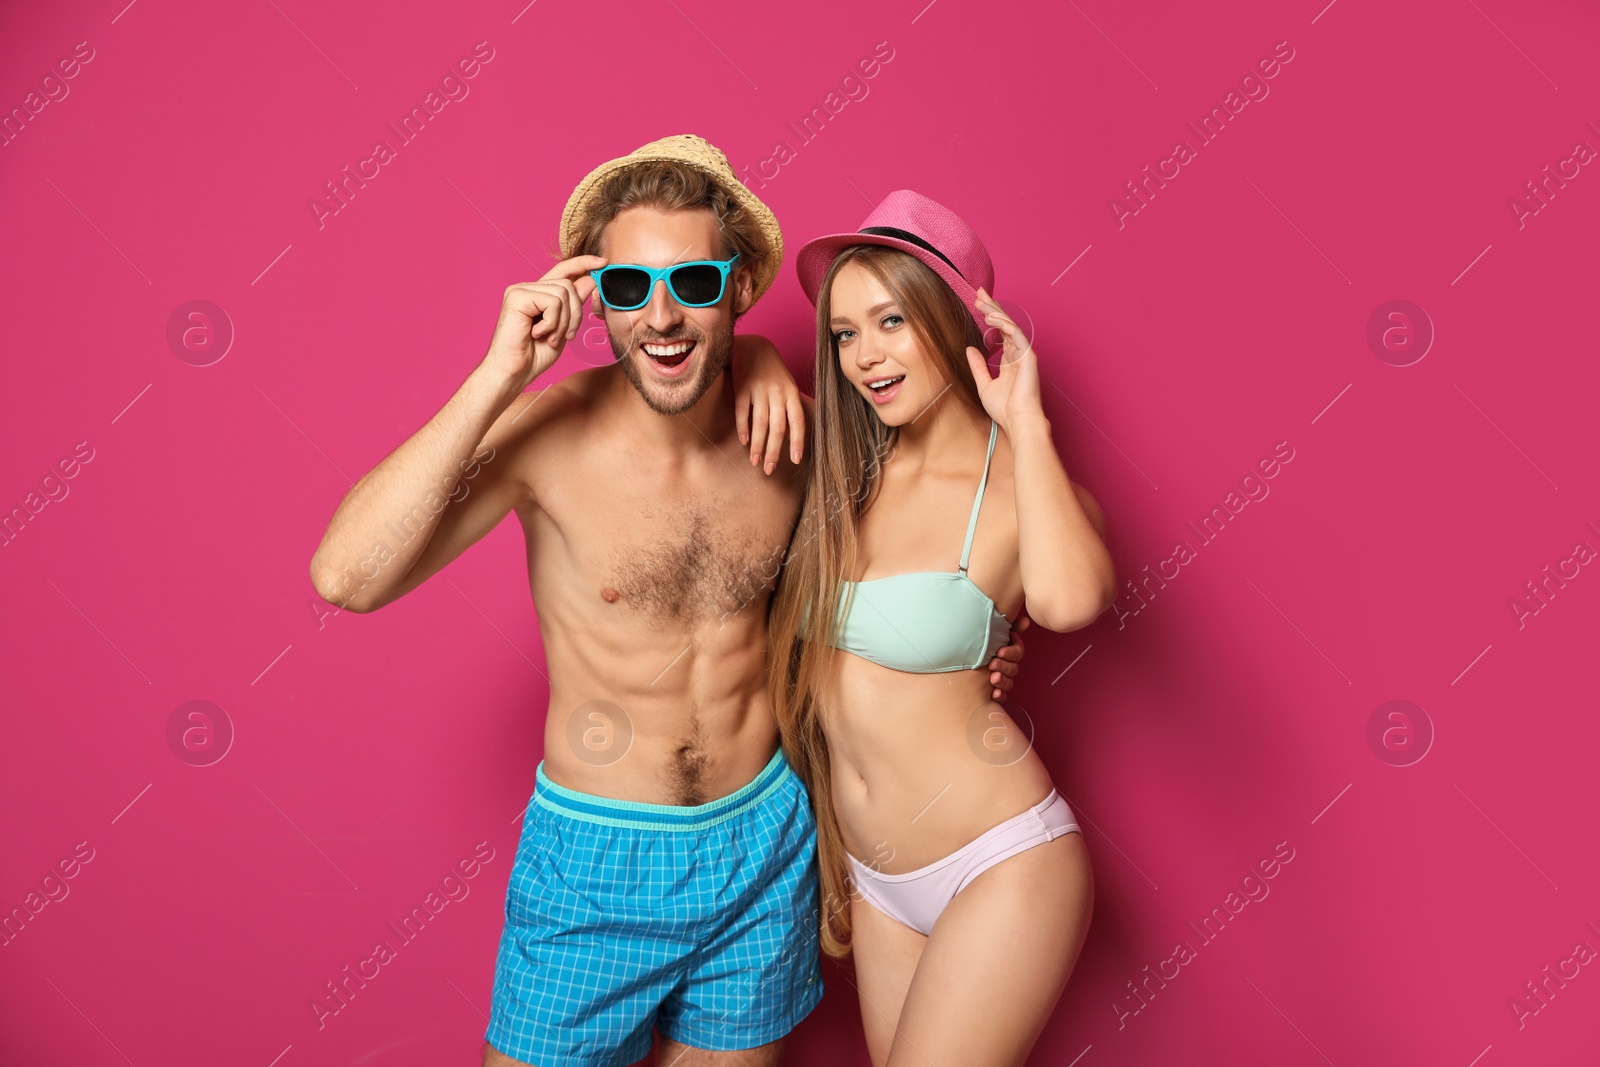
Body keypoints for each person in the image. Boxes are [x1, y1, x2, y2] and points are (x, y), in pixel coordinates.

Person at [308, 137, 1028, 1067]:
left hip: (763, 846)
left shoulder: (796, 433)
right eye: (627, 287)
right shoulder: (547, 437)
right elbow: (346, 577)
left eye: (691, 281)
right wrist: (499, 376)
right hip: (594, 862)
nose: (661, 316)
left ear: (734, 288)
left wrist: (986, 649)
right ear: (592, 296)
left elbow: (938, 533)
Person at [766, 190, 1116, 1067]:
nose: (863, 356)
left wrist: (1025, 422)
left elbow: (1072, 601)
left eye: (890, 321)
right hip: (880, 879)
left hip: (999, 862)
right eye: (843, 334)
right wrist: (761, 363)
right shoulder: (848, 476)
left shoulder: (1015, 486)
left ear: (953, 321)